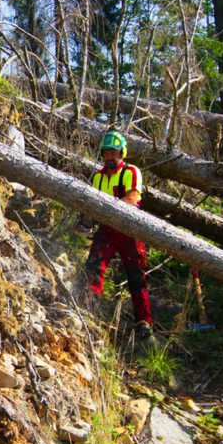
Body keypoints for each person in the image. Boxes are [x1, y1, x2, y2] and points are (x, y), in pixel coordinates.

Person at [83, 130, 154, 339]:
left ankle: (144, 322)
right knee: (94, 267)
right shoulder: (97, 176)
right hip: (106, 230)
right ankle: (89, 311)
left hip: (130, 230)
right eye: (106, 153)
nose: (110, 157)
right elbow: (93, 202)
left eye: (114, 152)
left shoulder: (131, 172)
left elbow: (132, 199)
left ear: (121, 152)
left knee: (136, 277)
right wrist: (87, 218)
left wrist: (104, 209)